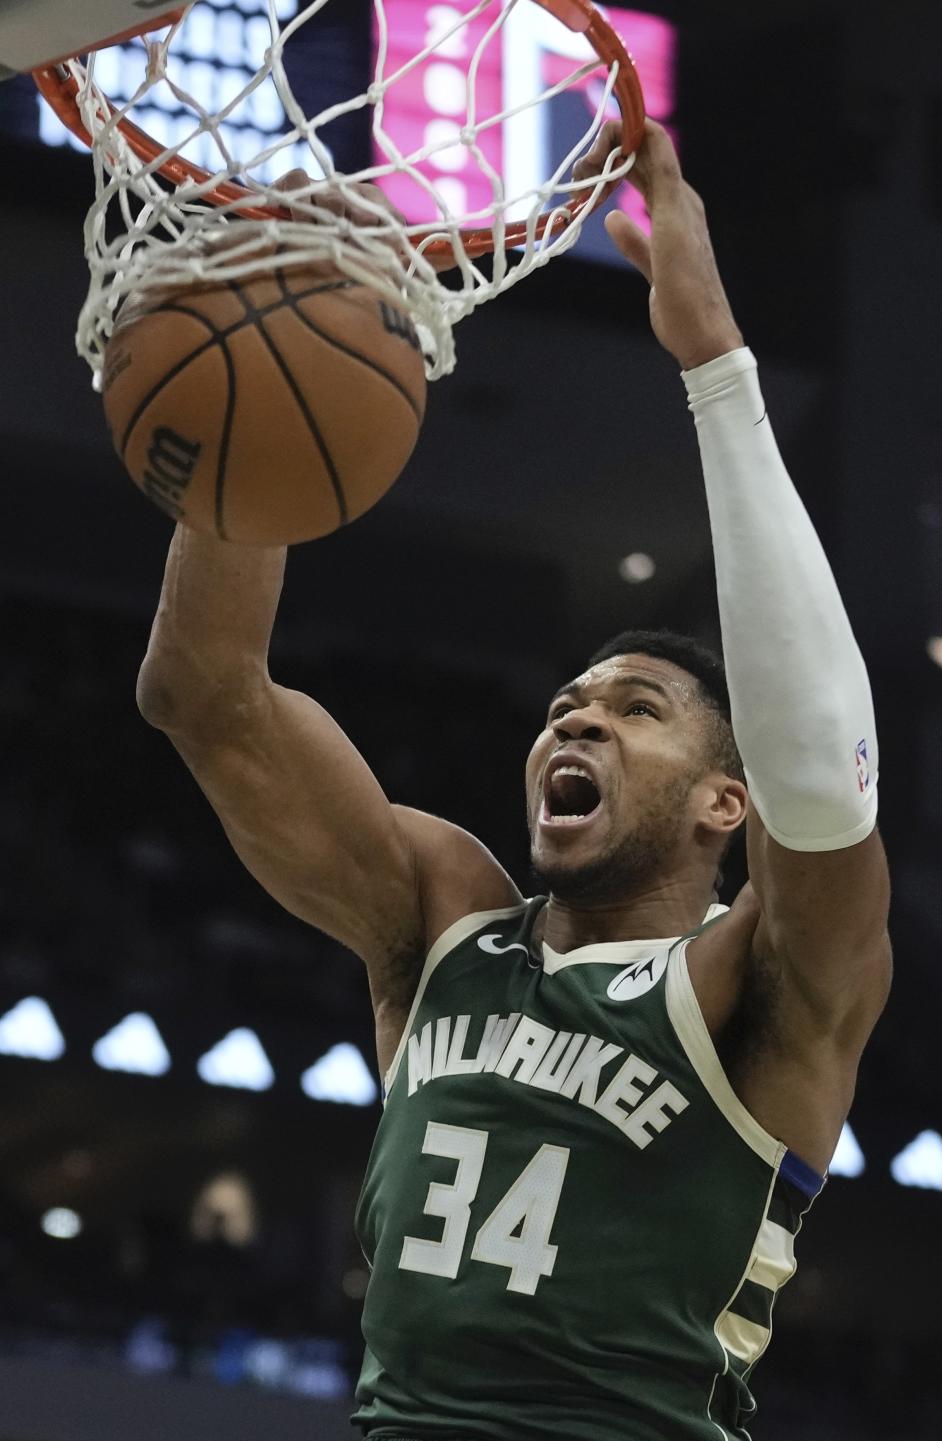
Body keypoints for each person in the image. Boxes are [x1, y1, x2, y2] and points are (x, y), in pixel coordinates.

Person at [136, 120, 892, 1440]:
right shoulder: (442, 920)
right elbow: (206, 696)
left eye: (635, 710)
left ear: (727, 798)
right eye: (566, 705)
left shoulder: (756, 985)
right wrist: (260, 372)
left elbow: (825, 782)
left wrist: (716, 366)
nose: (578, 722)